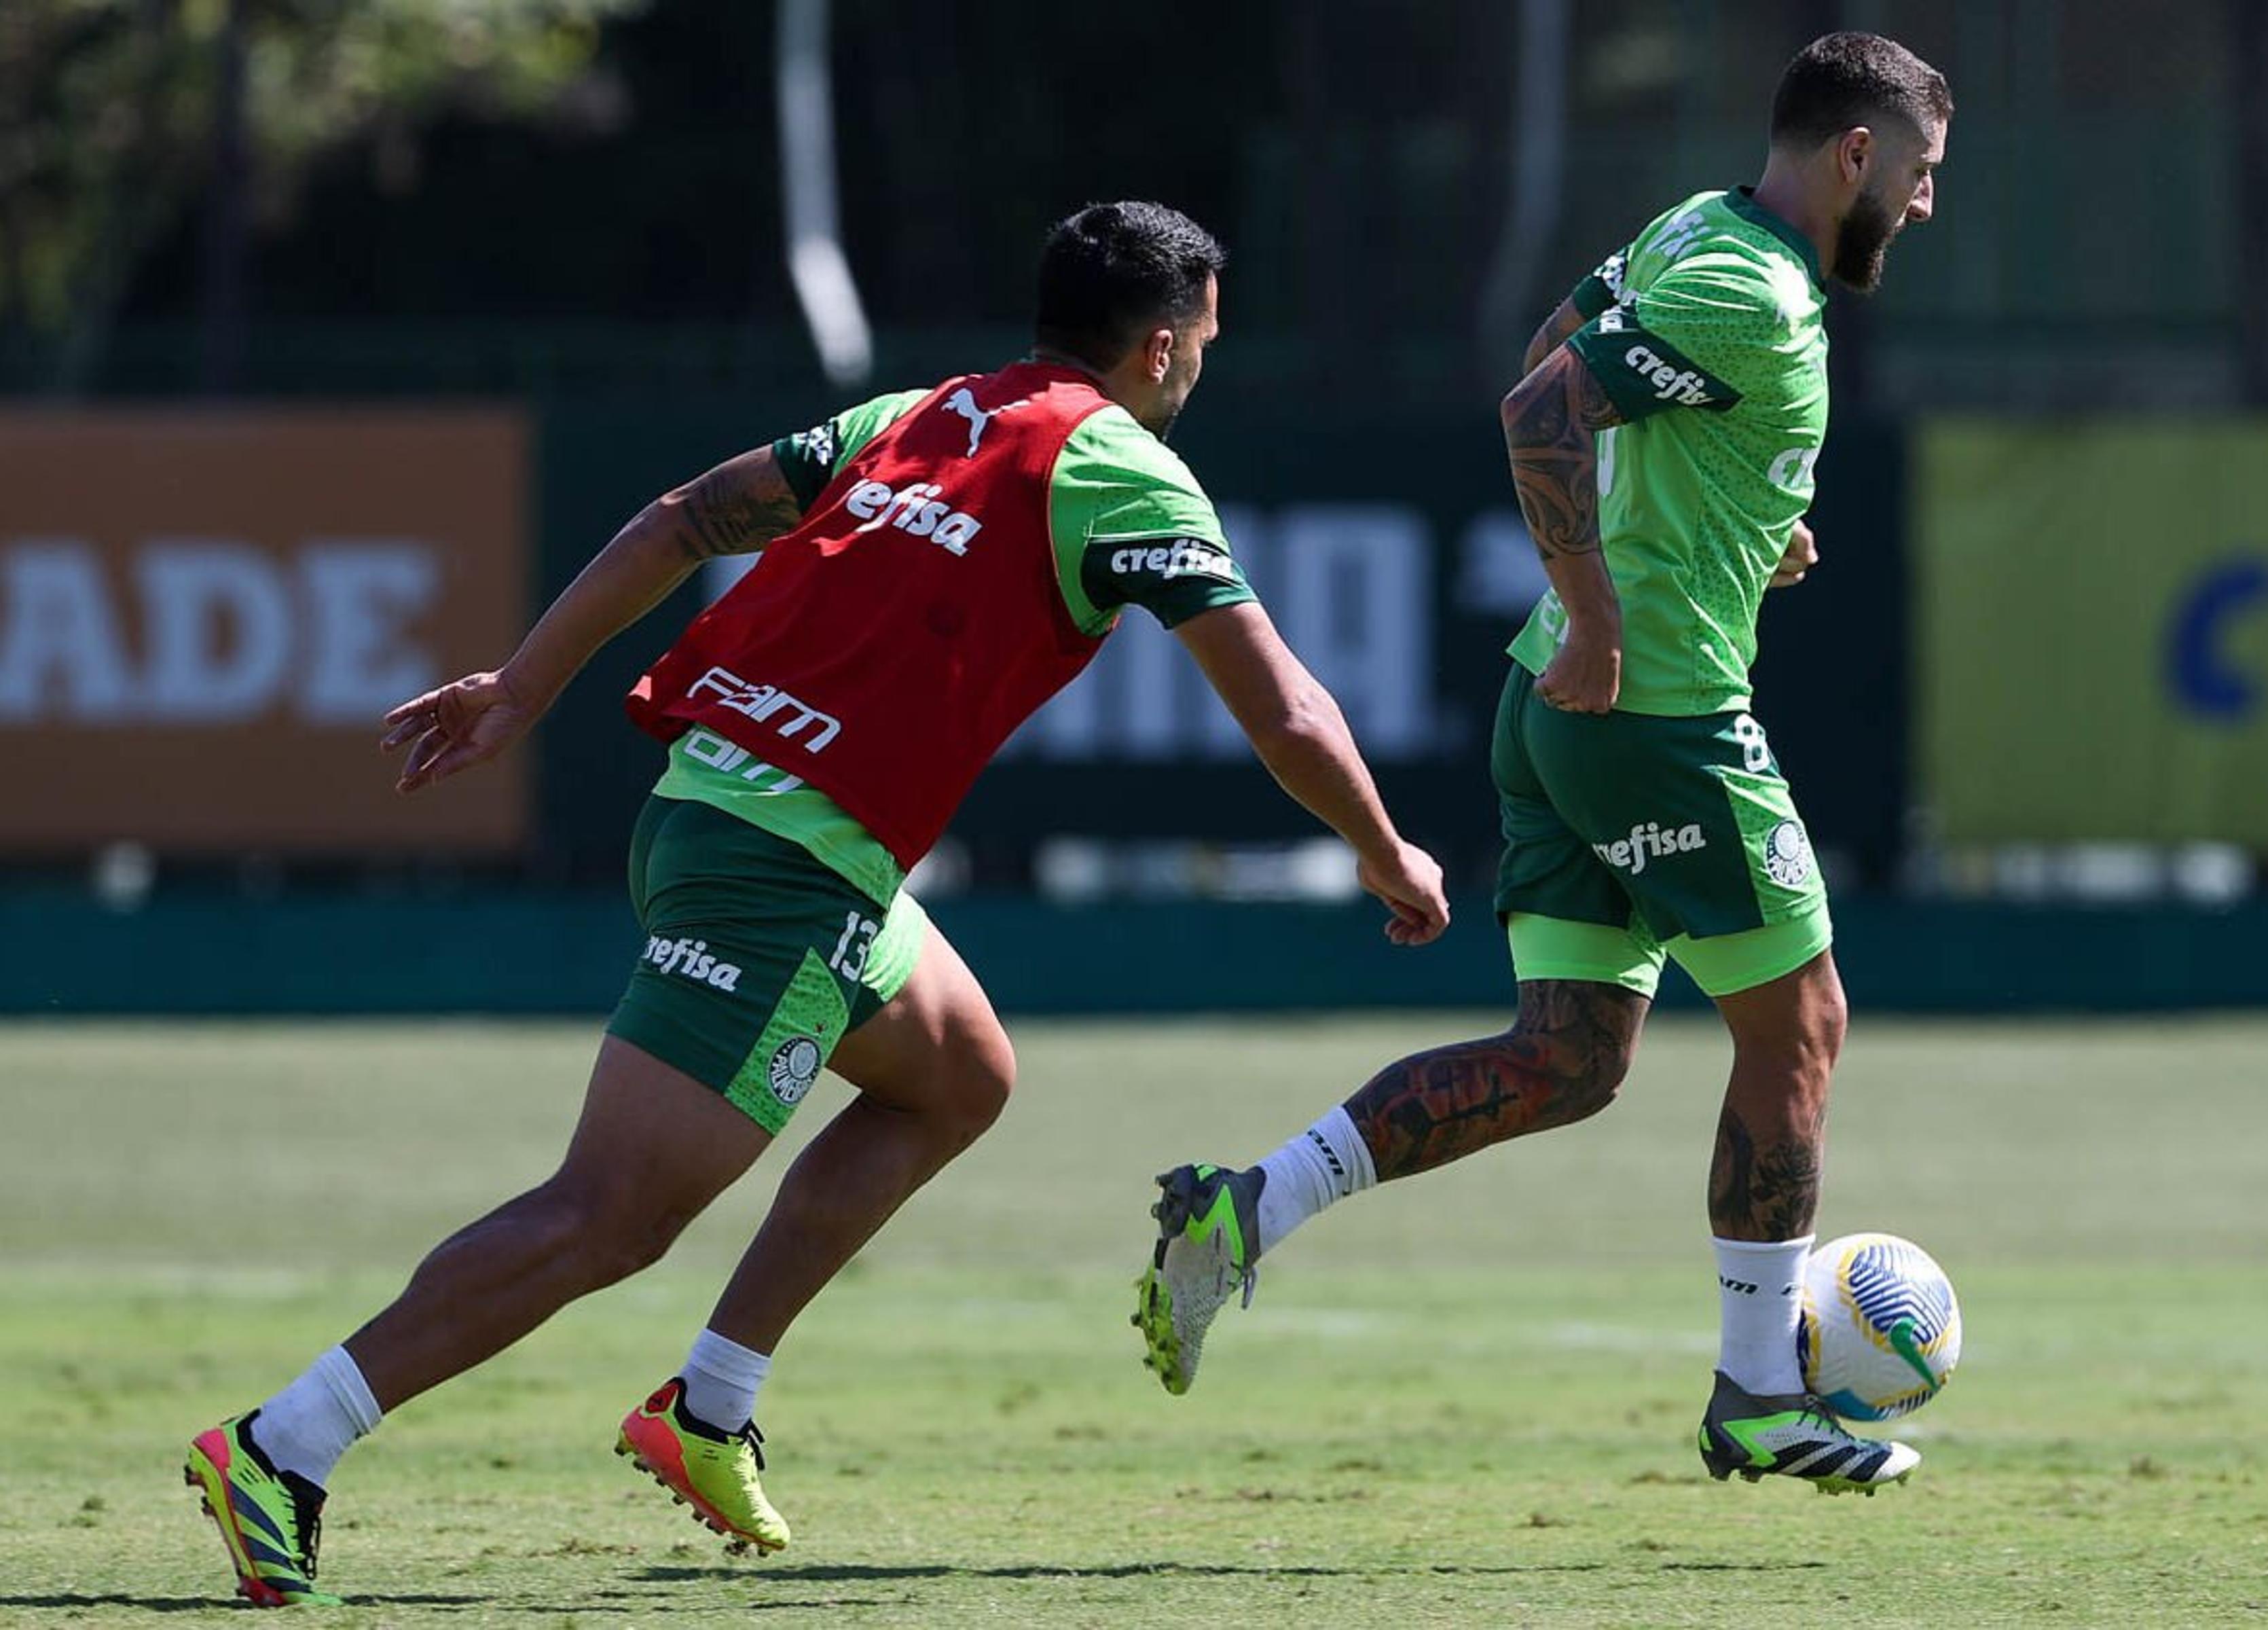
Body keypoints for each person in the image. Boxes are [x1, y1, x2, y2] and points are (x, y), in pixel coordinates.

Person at [183, 200, 1450, 1608]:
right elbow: (1282, 706)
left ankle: (709, 1407)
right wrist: (1386, 850)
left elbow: (683, 519)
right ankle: (283, 1443)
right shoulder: (1127, 473)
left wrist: (523, 688)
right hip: (776, 870)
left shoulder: (927, 414)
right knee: (610, 1216)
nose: (1204, 364)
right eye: (1206, 339)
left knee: (958, 1076)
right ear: (1161, 347)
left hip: (741, 822)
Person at [1133, 33, 1950, 1496]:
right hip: (1656, 718)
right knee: (1803, 1025)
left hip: (1561, 712)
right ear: (1858, 158)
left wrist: (1739, 520)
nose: (1928, 206)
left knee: (1566, 1063)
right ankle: (1762, 1395)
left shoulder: (1692, 228)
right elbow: (1540, 411)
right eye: (1925, 174)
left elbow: (1546, 357)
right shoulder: (1748, 287)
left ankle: (1244, 1212)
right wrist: (1596, 608)